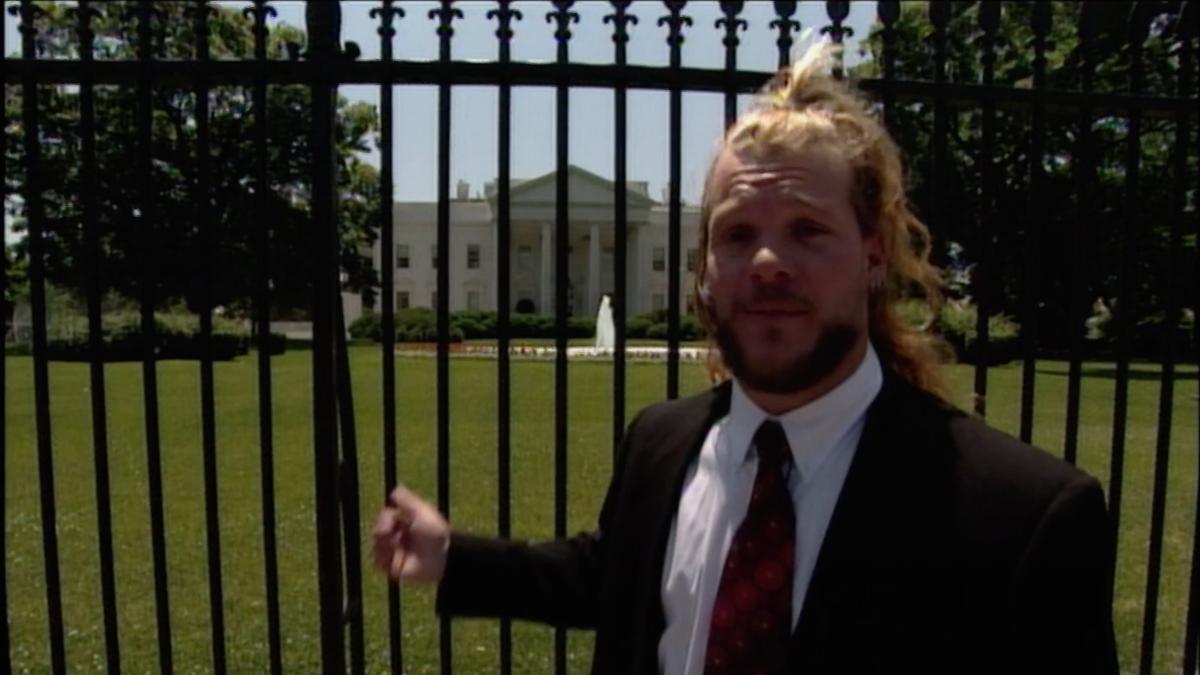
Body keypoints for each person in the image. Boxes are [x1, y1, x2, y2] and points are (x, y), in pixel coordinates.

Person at [372, 44, 1118, 675]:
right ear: (704, 266)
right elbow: (614, 576)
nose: (766, 261)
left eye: (806, 229)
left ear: (874, 256)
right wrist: (456, 556)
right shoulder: (661, 443)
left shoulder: (1022, 520)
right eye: (736, 234)